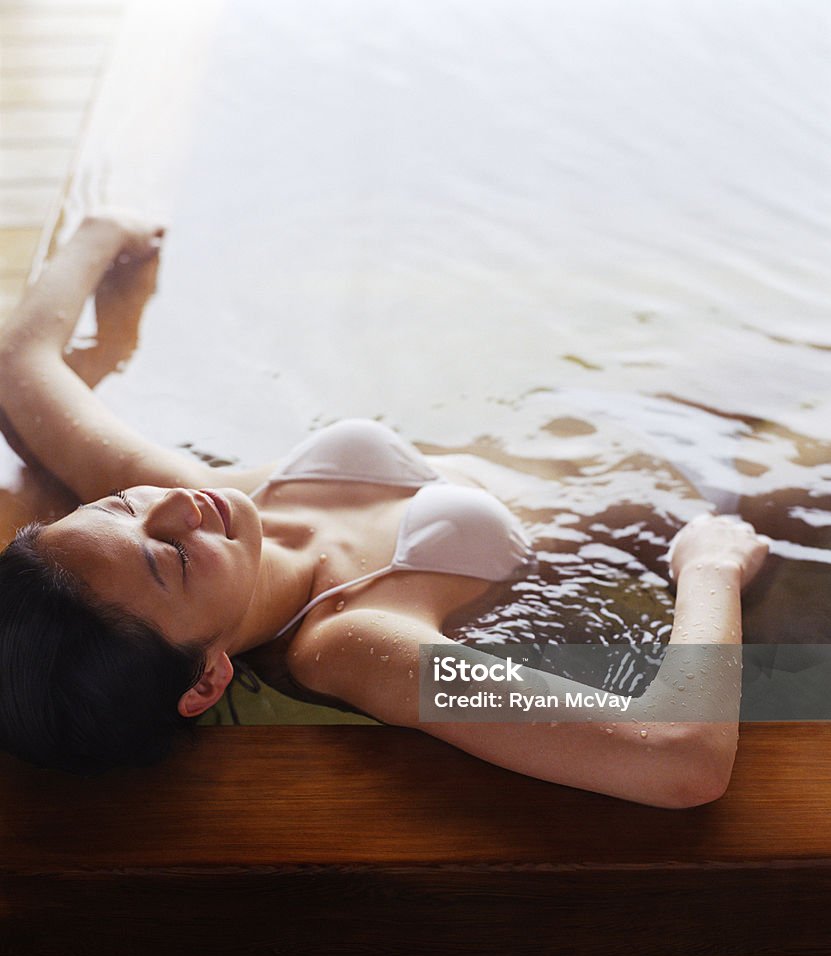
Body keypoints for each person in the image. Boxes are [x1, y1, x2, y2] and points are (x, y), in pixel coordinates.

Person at [0, 212, 769, 807]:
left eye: (116, 506)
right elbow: (674, 756)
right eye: (167, 559)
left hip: (601, 418)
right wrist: (707, 569)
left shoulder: (187, 492)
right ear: (205, 681)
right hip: (697, 504)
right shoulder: (354, 647)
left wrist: (103, 234)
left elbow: (20, 367)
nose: (171, 507)